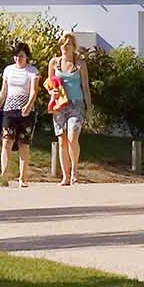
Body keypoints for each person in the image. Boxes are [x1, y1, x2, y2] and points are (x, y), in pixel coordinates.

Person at [0, 41, 39, 187]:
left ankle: (22, 178)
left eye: (21, 56)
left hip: (26, 111)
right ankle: (4, 174)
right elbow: (4, 90)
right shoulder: (8, 70)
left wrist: (29, 105)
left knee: (23, 144)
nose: (18, 59)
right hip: (9, 109)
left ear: (26, 57)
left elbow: (34, 91)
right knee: (6, 140)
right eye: (16, 56)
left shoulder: (32, 71)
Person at [46, 32, 91, 186]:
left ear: (74, 47)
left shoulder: (80, 64)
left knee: (72, 137)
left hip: (76, 104)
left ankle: (75, 172)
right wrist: (52, 92)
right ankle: (65, 176)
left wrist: (89, 107)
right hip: (59, 104)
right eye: (63, 44)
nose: (65, 47)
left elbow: (85, 87)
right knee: (62, 140)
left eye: (68, 44)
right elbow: (49, 84)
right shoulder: (54, 63)